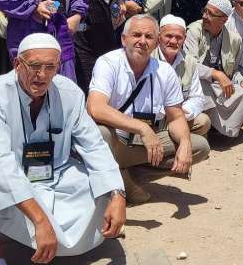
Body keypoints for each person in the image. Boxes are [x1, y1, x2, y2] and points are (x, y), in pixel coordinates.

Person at [0, 33, 126, 265]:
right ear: (17, 64)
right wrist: (40, 220)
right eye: (34, 66)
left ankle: (60, 233)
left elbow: (93, 145)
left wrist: (117, 194)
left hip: (53, 170)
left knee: (96, 183)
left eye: (50, 67)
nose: (42, 75)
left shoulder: (68, 92)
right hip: (3, 171)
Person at [87, 15, 210, 204]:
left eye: (149, 36)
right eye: (136, 35)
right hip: (115, 141)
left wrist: (184, 143)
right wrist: (141, 128)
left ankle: (128, 177)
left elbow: (176, 116)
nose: (142, 41)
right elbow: (95, 108)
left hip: (142, 143)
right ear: (123, 39)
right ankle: (116, 189)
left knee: (198, 147)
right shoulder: (108, 62)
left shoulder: (164, 71)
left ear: (155, 41)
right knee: (100, 133)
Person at [184, 0, 243, 138]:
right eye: (205, 11)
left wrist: (241, 81)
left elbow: (234, 71)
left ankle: (221, 128)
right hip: (198, 83)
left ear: (224, 19)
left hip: (219, 86)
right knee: (203, 88)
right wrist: (215, 73)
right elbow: (189, 65)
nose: (205, 16)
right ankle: (208, 126)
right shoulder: (193, 30)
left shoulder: (235, 39)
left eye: (210, 14)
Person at [156, 15, 212, 136]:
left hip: (179, 117)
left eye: (178, 37)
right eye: (169, 36)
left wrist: (183, 112)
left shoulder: (189, 62)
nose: (173, 41)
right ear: (159, 36)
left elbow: (197, 97)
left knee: (203, 121)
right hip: (152, 119)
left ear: (184, 39)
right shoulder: (147, 59)